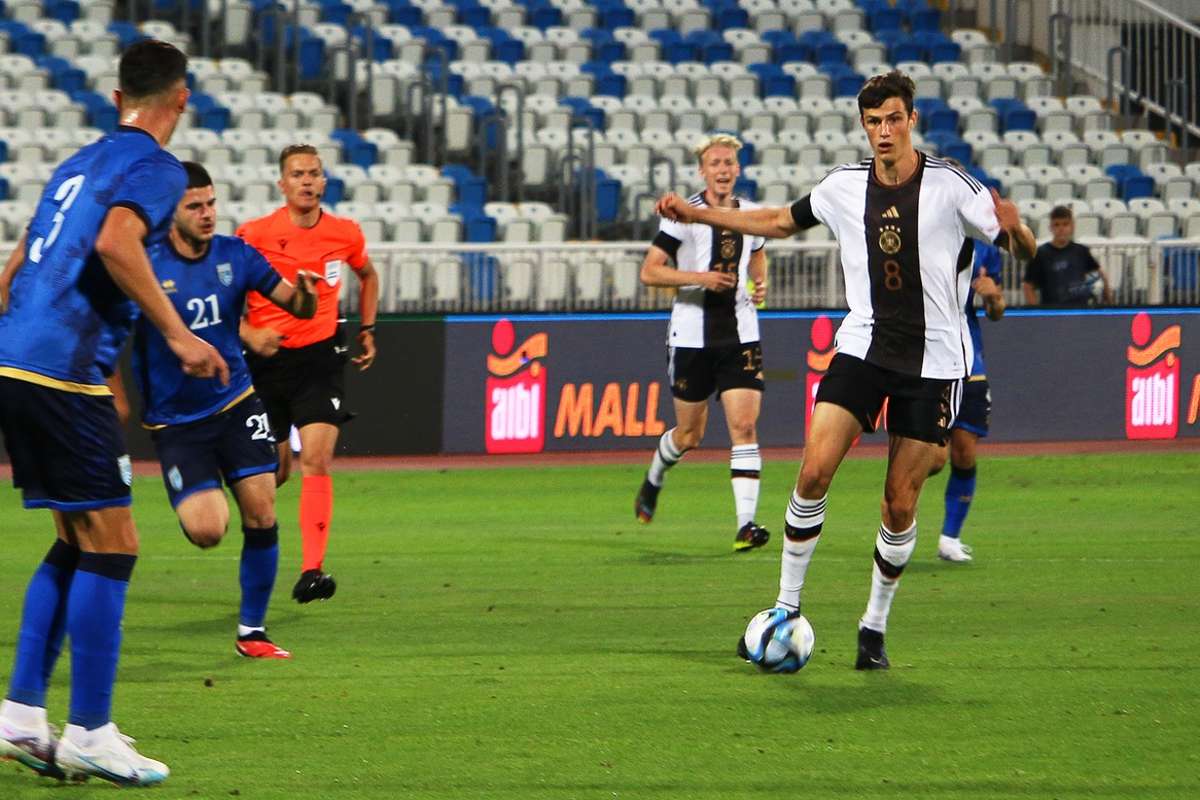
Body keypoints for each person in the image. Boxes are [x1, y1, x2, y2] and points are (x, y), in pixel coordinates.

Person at [655, 71, 1036, 669]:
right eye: (873, 122)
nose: (883, 132)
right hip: (862, 346)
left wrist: (1015, 227)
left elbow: (1023, 250)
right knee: (812, 473)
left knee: (899, 504)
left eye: (893, 120)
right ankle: (785, 606)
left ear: (911, 120)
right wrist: (701, 219)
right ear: (864, 126)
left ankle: (873, 626)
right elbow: (779, 221)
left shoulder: (954, 186)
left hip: (935, 362)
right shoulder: (841, 187)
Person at [0, 41, 227, 787]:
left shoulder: (76, 164)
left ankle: (23, 715)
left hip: (17, 357)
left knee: (76, 536)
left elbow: (19, 262)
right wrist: (176, 332)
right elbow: (115, 240)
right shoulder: (155, 169)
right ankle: (91, 730)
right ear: (181, 98)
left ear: (115, 94)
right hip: (62, 368)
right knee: (115, 544)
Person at [132, 161, 318, 658]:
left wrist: (305, 296)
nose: (207, 213)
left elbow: (293, 304)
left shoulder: (237, 254)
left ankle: (252, 632)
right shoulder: (145, 266)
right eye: (195, 205)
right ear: (171, 212)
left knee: (262, 511)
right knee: (208, 531)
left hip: (236, 401)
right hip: (177, 421)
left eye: (211, 203)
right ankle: (197, 486)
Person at [236, 144, 380, 603]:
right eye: (297, 173)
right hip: (267, 362)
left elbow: (369, 276)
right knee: (273, 475)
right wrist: (245, 333)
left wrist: (368, 328)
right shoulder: (254, 234)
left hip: (320, 359)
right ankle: (253, 538)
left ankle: (312, 571)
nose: (306, 181)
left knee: (316, 458)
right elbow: (229, 290)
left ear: (324, 181)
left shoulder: (344, 233)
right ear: (282, 184)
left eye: (314, 173)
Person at [633, 133, 772, 552]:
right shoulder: (682, 215)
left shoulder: (751, 214)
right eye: (715, 164)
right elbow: (650, 272)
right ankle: (655, 476)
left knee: (744, 427)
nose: (724, 170)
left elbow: (759, 251)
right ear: (703, 171)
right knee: (690, 435)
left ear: (738, 169)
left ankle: (745, 525)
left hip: (741, 333)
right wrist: (702, 278)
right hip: (692, 336)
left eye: (729, 162)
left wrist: (760, 281)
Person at [936, 239, 1006, 563]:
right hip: (930, 360)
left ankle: (950, 538)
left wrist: (992, 296)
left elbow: (996, 311)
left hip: (970, 363)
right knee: (933, 458)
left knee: (964, 452)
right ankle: (897, 513)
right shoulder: (925, 231)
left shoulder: (985, 249)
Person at [1022, 205, 1113, 306]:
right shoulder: (1040, 254)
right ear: (1050, 227)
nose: (1061, 229)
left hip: (1080, 313)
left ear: (1072, 226)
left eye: (1065, 224)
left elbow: (1100, 275)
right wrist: (1038, 314)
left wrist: (1109, 302)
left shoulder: (1081, 251)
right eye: (1056, 225)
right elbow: (1028, 286)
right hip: (1052, 314)